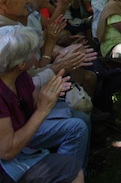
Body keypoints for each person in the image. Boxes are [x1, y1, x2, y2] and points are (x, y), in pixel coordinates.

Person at [0, 25, 85, 183]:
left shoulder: (21, 78)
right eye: (33, 52)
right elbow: (7, 151)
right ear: (21, 64)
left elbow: (30, 105)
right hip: (7, 166)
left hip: (22, 149)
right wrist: (43, 109)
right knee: (72, 171)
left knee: (71, 166)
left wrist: (50, 93)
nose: (36, 56)